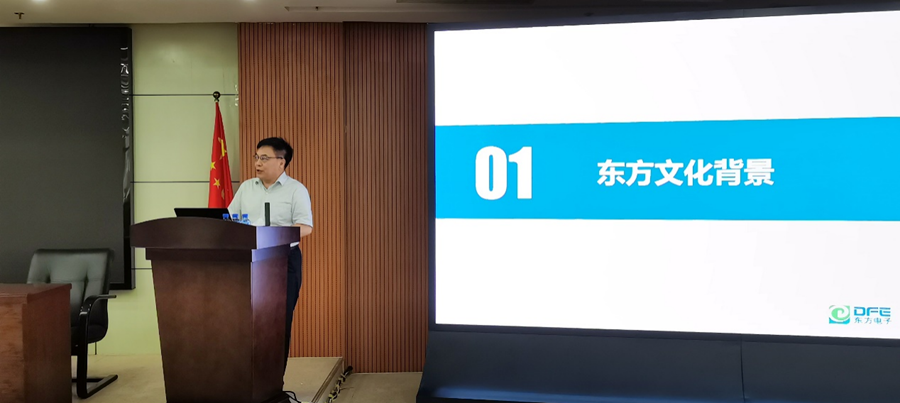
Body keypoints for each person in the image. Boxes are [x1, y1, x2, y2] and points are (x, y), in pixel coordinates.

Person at [227, 137, 313, 378]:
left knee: (278, 323)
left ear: (281, 162)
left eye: (264, 158)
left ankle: (273, 382)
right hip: (249, 262)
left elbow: (305, 227)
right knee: (248, 322)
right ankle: (247, 380)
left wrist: (272, 235)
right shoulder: (247, 188)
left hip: (283, 262)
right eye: (257, 157)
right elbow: (229, 220)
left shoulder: (296, 190)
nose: (258, 163)